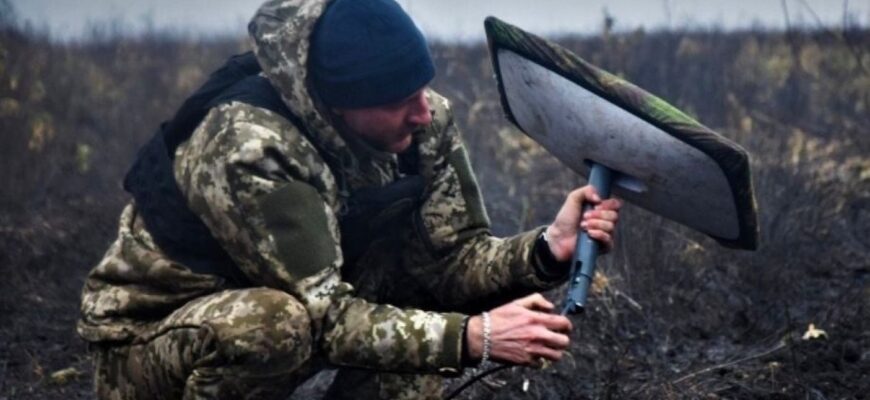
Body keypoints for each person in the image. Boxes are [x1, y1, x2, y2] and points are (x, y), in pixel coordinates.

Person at [76, 0, 622, 399]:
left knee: (422, 306)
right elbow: (326, 318)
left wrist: (546, 248)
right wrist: (476, 337)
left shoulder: (424, 123)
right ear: (340, 103)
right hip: (151, 343)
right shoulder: (250, 146)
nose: (423, 113)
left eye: (422, 90)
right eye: (399, 100)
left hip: (303, 313)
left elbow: (451, 260)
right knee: (272, 325)